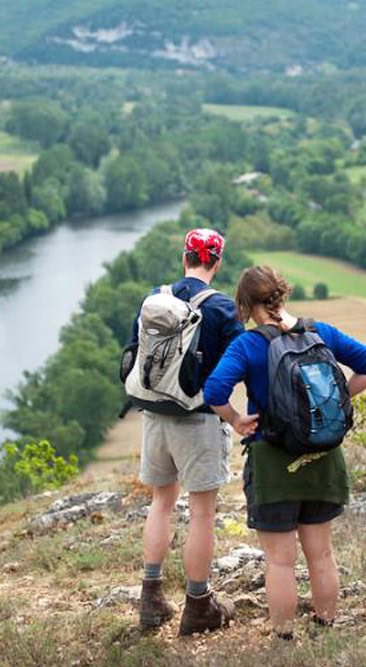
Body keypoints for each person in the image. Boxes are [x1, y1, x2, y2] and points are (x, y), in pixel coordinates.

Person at [203, 266, 366, 641]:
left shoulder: (248, 345)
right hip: (323, 458)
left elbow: (215, 391)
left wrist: (237, 419)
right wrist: (334, 402)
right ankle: (326, 627)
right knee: (321, 555)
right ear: (282, 295)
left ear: (246, 304)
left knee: (280, 561)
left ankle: (285, 639)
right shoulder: (320, 332)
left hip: (272, 463)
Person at [134, 228, 245, 636]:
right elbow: (241, 364)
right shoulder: (222, 309)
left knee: (161, 503)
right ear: (217, 263)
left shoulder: (154, 297)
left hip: (155, 415)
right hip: (198, 421)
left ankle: (151, 597)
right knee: (201, 512)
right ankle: (198, 605)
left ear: (185, 258)